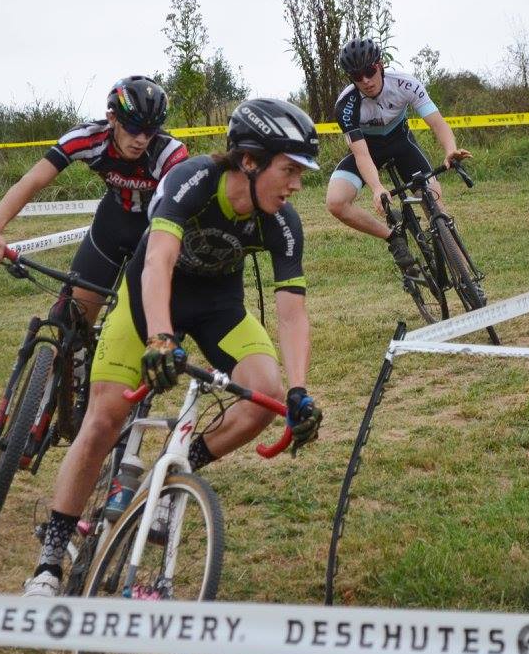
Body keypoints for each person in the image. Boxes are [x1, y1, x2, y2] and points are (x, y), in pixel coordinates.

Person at [23, 98, 325, 597]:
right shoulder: (195, 180)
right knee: (103, 419)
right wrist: (160, 336)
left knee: (263, 395)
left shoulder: (283, 221)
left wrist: (298, 391)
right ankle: (51, 558)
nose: (297, 184)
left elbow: (292, 312)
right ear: (249, 161)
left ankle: (172, 474)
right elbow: (158, 260)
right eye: (289, 169)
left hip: (217, 307)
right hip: (150, 298)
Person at [0, 75, 188, 325]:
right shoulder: (88, 138)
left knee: (144, 324)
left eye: (150, 130)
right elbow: (33, 180)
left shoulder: (169, 152)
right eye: (133, 127)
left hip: (154, 228)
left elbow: (181, 206)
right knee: (71, 319)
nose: (141, 139)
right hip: (113, 221)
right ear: (112, 118)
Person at [325, 37, 471, 271]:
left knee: (433, 197)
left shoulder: (405, 84)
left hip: (401, 144)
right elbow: (362, 155)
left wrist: (450, 150)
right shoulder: (346, 104)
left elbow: (437, 122)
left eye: (369, 71)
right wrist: (377, 188)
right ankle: (393, 238)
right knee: (335, 202)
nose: (365, 81)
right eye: (357, 77)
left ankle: (464, 275)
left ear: (380, 64)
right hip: (368, 150)